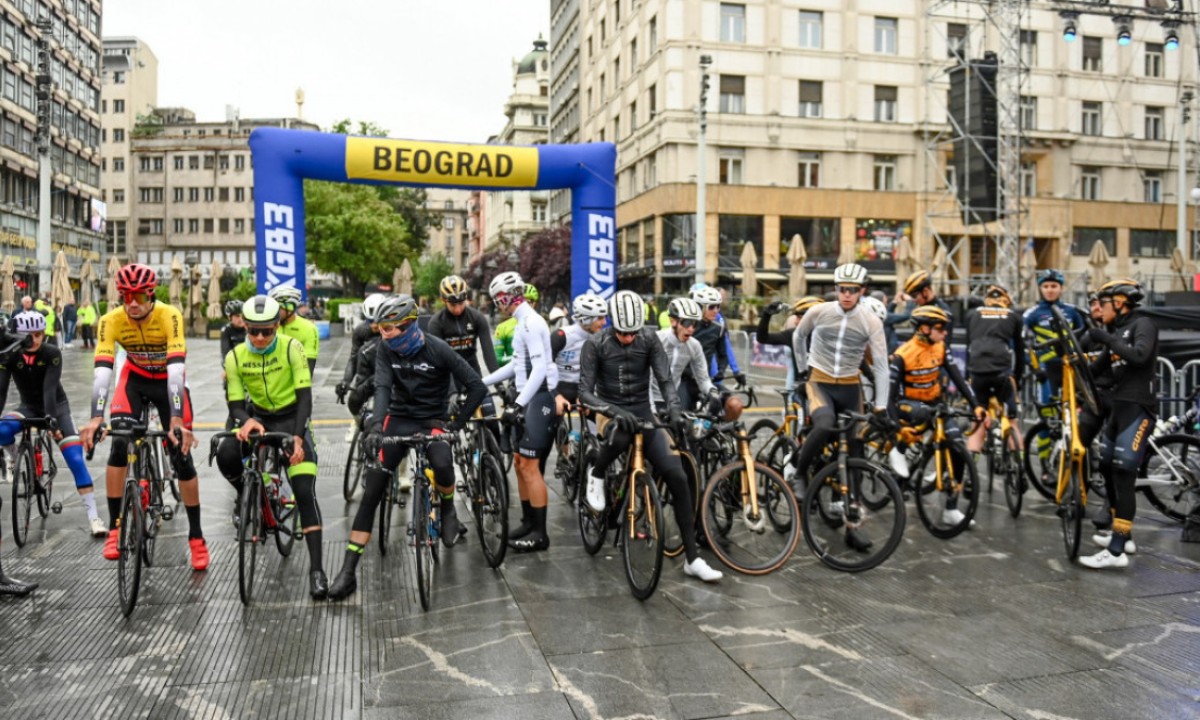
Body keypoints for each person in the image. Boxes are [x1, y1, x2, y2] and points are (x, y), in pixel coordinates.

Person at [327, 294, 486, 600]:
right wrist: (375, 427)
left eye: (387, 327)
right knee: (372, 489)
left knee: (442, 463)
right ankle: (347, 572)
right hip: (399, 418)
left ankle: (449, 510)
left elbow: (476, 386)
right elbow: (383, 388)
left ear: (408, 325)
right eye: (381, 327)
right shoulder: (386, 348)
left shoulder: (437, 348)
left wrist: (455, 425)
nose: (381, 332)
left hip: (433, 419)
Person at [580, 291, 722, 582]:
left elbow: (665, 380)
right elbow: (584, 392)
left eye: (632, 333)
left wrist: (673, 410)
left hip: (644, 410)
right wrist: (612, 410)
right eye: (621, 333)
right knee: (619, 436)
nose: (628, 339)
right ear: (611, 326)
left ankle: (692, 558)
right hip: (609, 409)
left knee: (678, 475)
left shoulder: (648, 339)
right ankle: (597, 473)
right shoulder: (595, 344)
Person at [79, 263, 209, 570]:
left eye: (138, 295)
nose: (133, 303)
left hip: (168, 383)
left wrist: (176, 419)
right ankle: (115, 527)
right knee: (119, 446)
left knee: (181, 456)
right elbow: (102, 372)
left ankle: (196, 537)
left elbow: (176, 369)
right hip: (134, 381)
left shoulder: (169, 315)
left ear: (151, 294)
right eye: (126, 296)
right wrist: (96, 417)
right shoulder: (110, 320)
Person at [216, 295, 328, 598]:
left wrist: (298, 438)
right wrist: (245, 420)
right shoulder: (235, 356)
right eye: (254, 331)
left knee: (303, 490)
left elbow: (305, 397)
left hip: (293, 419)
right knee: (225, 452)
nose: (261, 337)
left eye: (268, 330)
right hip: (259, 417)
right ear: (246, 328)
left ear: (277, 325)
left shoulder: (293, 348)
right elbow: (235, 403)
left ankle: (317, 570)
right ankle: (250, 494)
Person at [790, 263, 890, 550]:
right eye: (842, 289)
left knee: (856, 451)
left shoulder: (870, 320)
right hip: (819, 380)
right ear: (835, 289)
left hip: (849, 386)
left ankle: (852, 526)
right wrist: (800, 372)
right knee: (824, 425)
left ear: (862, 291)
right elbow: (798, 337)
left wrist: (881, 407)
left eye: (853, 290)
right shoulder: (819, 312)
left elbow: (881, 366)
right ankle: (799, 472)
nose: (846, 295)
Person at [0, 311, 106, 536]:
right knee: (2, 429)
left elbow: (49, 390)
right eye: (29, 335)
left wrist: (52, 424)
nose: (35, 339)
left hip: (56, 408)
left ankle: (93, 517)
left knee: (75, 459)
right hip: (28, 406)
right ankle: (14, 455)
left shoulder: (52, 353)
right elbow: (1, 393)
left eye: (39, 334)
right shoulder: (10, 355)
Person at [1077, 280, 1158, 570]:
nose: (1100, 307)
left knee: (1124, 474)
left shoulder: (1142, 324)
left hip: (1138, 408)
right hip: (1119, 408)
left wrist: (1108, 339)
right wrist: (1072, 354)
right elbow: (1097, 368)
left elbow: (1139, 356)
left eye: (1105, 302)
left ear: (1121, 302)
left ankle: (1116, 551)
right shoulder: (1118, 330)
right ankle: (1123, 536)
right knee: (1108, 467)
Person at [480, 273, 558, 552]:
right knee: (518, 463)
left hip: (538, 399)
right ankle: (528, 521)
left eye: (497, 298)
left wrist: (518, 404)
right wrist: (482, 382)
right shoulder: (520, 322)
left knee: (530, 466)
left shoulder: (531, 323)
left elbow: (539, 370)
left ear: (507, 296)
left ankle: (540, 533)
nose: (496, 304)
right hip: (527, 397)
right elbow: (516, 365)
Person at [888, 305, 987, 525]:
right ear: (924, 328)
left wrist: (976, 405)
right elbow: (889, 399)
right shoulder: (903, 354)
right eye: (940, 328)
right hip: (909, 404)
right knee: (922, 413)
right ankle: (900, 449)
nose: (945, 333)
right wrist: (897, 428)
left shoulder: (940, 347)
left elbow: (958, 379)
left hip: (935, 403)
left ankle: (950, 509)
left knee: (959, 448)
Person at [1024, 269, 1087, 460]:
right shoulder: (1032, 313)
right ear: (1041, 289)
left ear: (1061, 288)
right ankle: (1045, 464)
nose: (1050, 290)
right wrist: (1034, 367)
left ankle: (1077, 456)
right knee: (1047, 419)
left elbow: (1084, 336)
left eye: (1054, 286)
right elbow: (1023, 343)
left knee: (1079, 416)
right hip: (1045, 372)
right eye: (1046, 286)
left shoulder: (1072, 311)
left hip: (1070, 369)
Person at [963, 284, 1025, 462]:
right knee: (1012, 421)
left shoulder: (972, 314)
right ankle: (1018, 465)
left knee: (978, 421)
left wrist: (969, 375)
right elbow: (1020, 354)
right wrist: (1017, 380)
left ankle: (970, 473)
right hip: (1002, 371)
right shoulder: (1013, 315)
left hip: (977, 370)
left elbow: (969, 347)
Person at [651, 297, 718, 414]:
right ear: (673, 321)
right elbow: (644, 379)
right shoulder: (655, 340)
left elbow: (703, 379)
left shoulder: (694, 346)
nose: (691, 329)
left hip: (672, 401)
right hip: (648, 399)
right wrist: (652, 410)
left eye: (695, 324)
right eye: (687, 323)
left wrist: (712, 392)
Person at [690, 286, 745, 420]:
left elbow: (723, 354)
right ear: (700, 307)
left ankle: (719, 431)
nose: (716, 311)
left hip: (707, 381)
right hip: (686, 382)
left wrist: (721, 370)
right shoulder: (687, 327)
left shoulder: (718, 328)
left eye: (718, 307)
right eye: (711, 307)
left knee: (735, 406)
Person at [758, 296, 824, 405]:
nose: (796, 322)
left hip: (824, 390)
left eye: (800, 317)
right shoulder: (793, 335)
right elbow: (762, 338)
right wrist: (766, 315)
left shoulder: (829, 336)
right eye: (796, 317)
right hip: (801, 390)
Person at [336, 293, 386, 434]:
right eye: (371, 322)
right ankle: (357, 423)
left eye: (378, 321)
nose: (375, 326)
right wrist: (345, 381)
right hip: (366, 371)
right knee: (354, 401)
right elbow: (353, 358)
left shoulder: (392, 329)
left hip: (386, 370)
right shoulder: (361, 331)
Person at [551, 293, 608, 415]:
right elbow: (540, 369)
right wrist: (555, 396)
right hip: (557, 389)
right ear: (586, 319)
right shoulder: (561, 336)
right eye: (600, 318)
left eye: (605, 317)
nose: (604, 322)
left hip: (584, 391)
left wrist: (590, 396)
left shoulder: (602, 339)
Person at [268, 285, 319, 375]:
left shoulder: (309, 328)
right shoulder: (269, 326)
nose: (274, 311)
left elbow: (308, 367)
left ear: (290, 307)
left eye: (278, 308)